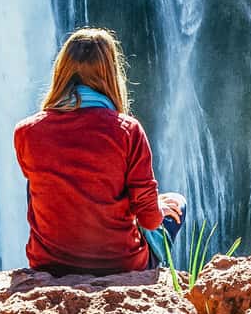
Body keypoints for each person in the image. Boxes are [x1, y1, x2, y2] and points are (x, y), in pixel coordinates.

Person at [14, 27, 186, 274]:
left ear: (61, 71)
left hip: (50, 265)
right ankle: (158, 283)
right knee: (177, 203)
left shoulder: (26, 132)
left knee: (39, 181)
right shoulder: (128, 131)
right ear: (112, 74)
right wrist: (155, 206)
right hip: (121, 265)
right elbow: (149, 219)